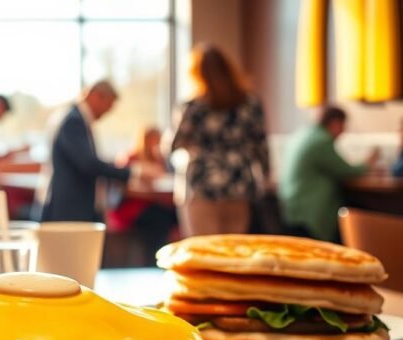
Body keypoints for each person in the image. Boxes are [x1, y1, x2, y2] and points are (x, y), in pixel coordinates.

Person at [170, 44, 269, 236]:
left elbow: (174, 145)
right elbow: (261, 146)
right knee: (232, 252)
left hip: (202, 183)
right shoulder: (251, 104)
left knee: (203, 250)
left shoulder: (192, 107)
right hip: (239, 182)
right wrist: (265, 175)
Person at [39, 81, 157, 222]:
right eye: (108, 106)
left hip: (73, 204)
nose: (106, 112)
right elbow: (89, 164)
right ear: (95, 96)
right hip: (70, 207)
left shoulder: (74, 118)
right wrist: (133, 172)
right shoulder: (73, 121)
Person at [279, 106, 379, 242]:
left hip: (291, 207)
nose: (344, 131)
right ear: (335, 123)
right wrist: (368, 163)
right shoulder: (321, 140)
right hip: (309, 212)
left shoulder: (303, 135)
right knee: (361, 215)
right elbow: (347, 171)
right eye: (343, 125)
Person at [107, 126, 179, 258]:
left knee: (173, 215)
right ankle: (154, 259)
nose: (155, 144)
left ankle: (173, 256)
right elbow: (123, 189)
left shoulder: (161, 160)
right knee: (158, 218)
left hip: (154, 205)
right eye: (152, 140)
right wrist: (151, 192)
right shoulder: (130, 158)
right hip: (132, 209)